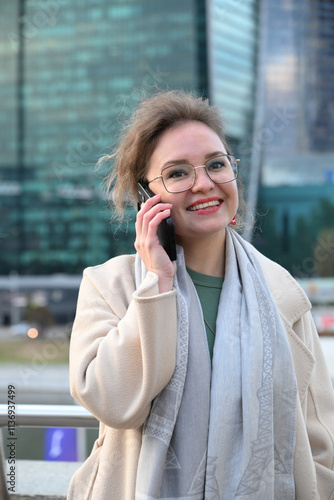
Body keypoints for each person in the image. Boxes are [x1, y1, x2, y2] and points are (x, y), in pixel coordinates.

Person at [67, 90, 334, 500]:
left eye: (216, 164)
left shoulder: (282, 290)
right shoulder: (110, 285)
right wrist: (156, 283)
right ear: (145, 195)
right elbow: (114, 403)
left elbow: (319, 438)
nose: (204, 183)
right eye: (177, 173)